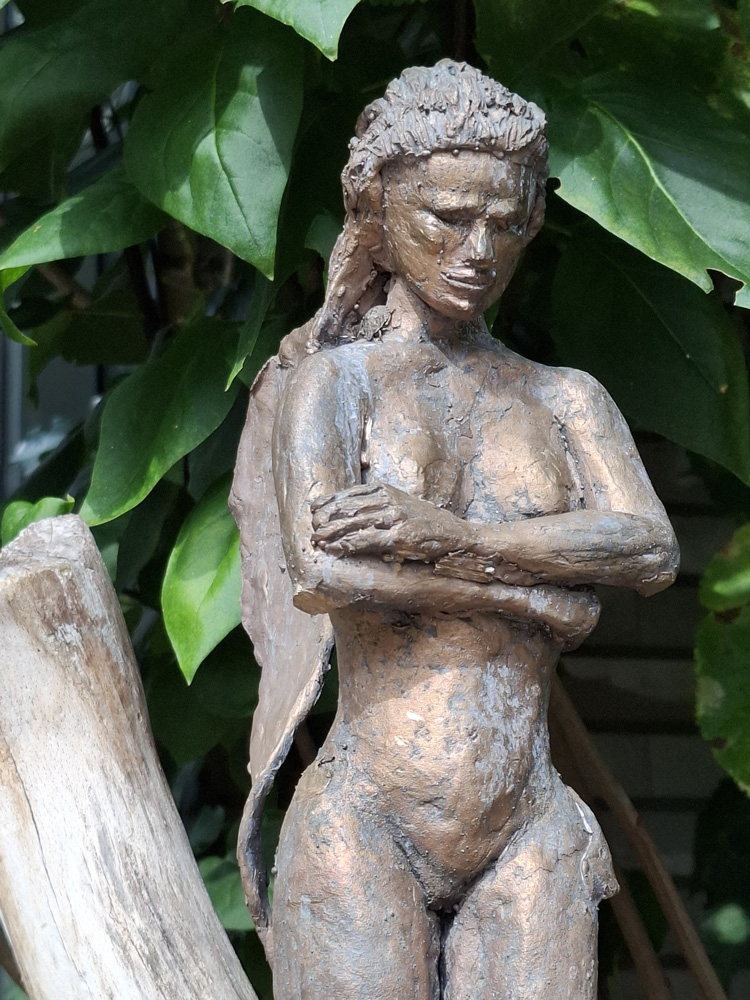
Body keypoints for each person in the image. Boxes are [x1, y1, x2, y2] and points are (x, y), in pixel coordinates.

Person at [233, 60, 679, 1000]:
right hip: (368, 816)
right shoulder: (336, 383)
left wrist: (448, 537)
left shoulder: (563, 397)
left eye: (506, 224)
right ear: (378, 212)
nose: (479, 250)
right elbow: (323, 575)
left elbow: (649, 548)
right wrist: (538, 600)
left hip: (527, 822)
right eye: (447, 217)